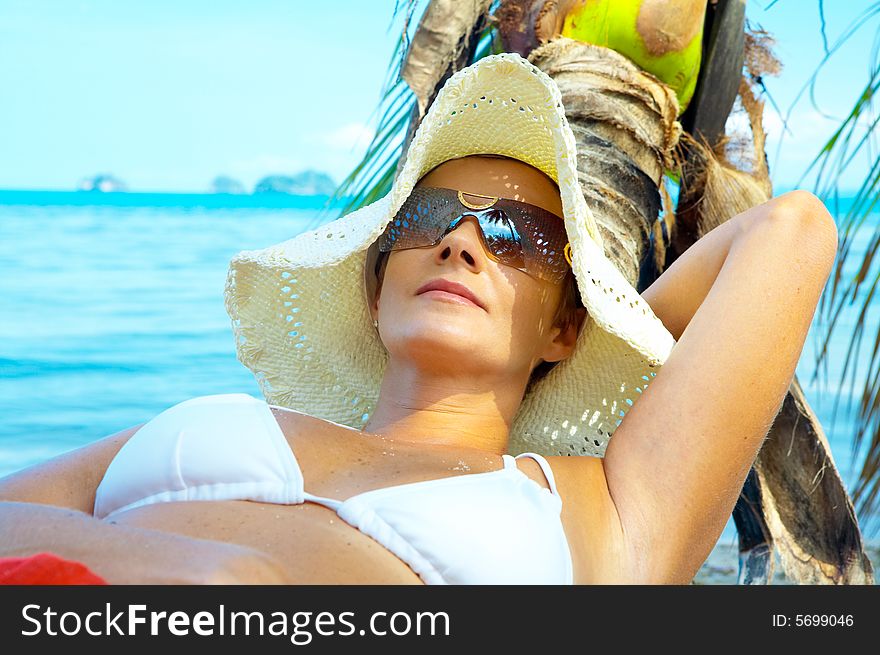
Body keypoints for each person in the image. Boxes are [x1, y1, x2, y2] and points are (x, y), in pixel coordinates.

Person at [0, 53, 837, 584]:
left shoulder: (598, 509)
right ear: (375, 284)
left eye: (517, 237)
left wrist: (589, 357)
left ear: (564, 328)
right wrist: (205, 571)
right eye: (429, 217)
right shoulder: (214, 420)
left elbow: (789, 232)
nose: (463, 242)